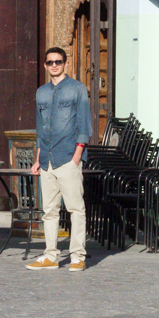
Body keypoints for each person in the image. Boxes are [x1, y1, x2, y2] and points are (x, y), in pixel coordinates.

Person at [27, 47, 94, 271]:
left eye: (58, 61)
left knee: (76, 209)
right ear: (45, 66)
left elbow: (84, 125)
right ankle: (50, 256)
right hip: (46, 159)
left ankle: (77, 256)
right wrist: (38, 158)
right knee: (49, 211)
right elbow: (40, 128)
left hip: (68, 157)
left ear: (65, 63)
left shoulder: (77, 89)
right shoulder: (41, 92)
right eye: (50, 62)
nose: (54, 65)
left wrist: (76, 157)